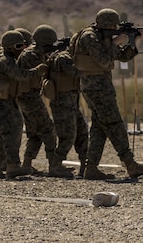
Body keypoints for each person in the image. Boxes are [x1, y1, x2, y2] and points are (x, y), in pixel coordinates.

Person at [72, 8, 143, 179]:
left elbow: (122, 57)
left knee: (99, 128)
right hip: (97, 90)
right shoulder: (90, 37)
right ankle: (130, 164)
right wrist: (116, 41)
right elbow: (103, 60)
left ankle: (91, 168)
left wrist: (134, 40)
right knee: (115, 125)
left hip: (99, 89)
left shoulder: (101, 37)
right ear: (108, 24)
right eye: (113, 25)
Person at [0, 30, 46, 180]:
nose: (21, 49)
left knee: (6, 133)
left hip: (2, 100)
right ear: (9, 47)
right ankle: (12, 165)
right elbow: (20, 75)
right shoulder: (5, 60)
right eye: (18, 46)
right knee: (12, 130)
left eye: (23, 46)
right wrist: (37, 71)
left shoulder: (5, 58)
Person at [17, 25, 72, 178]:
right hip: (29, 98)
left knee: (35, 133)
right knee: (48, 130)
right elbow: (42, 69)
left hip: (28, 97)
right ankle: (54, 165)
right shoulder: (31, 55)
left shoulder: (33, 52)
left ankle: (27, 164)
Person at [39, 27, 90, 176]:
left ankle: (85, 165)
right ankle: (55, 165)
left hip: (71, 103)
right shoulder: (62, 58)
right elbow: (76, 71)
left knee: (82, 132)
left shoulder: (63, 56)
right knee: (68, 135)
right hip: (62, 103)